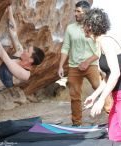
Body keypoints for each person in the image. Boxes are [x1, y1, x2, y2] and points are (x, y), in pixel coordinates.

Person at [57, 1, 101, 126]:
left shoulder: (94, 27)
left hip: (91, 65)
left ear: (86, 13)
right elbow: (65, 47)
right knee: (74, 96)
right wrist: (60, 65)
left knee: (100, 89)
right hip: (74, 67)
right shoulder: (70, 28)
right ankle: (77, 123)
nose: (75, 13)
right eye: (75, 11)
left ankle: (111, 115)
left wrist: (87, 62)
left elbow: (99, 50)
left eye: (78, 11)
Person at [83, 8, 121, 141]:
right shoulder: (100, 43)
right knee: (114, 135)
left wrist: (101, 101)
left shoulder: (106, 42)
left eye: (85, 23)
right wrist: (94, 96)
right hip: (117, 96)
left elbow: (116, 73)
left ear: (90, 26)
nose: (83, 27)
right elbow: (109, 76)